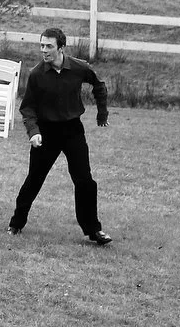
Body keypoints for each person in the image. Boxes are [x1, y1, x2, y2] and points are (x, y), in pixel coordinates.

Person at [9, 27, 113, 244]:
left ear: (61, 48)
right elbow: (27, 108)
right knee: (34, 180)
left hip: (72, 130)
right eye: (41, 46)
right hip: (46, 133)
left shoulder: (78, 67)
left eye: (49, 46)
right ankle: (16, 223)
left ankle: (93, 230)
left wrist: (102, 113)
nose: (44, 50)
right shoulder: (37, 74)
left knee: (85, 181)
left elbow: (98, 84)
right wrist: (34, 132)